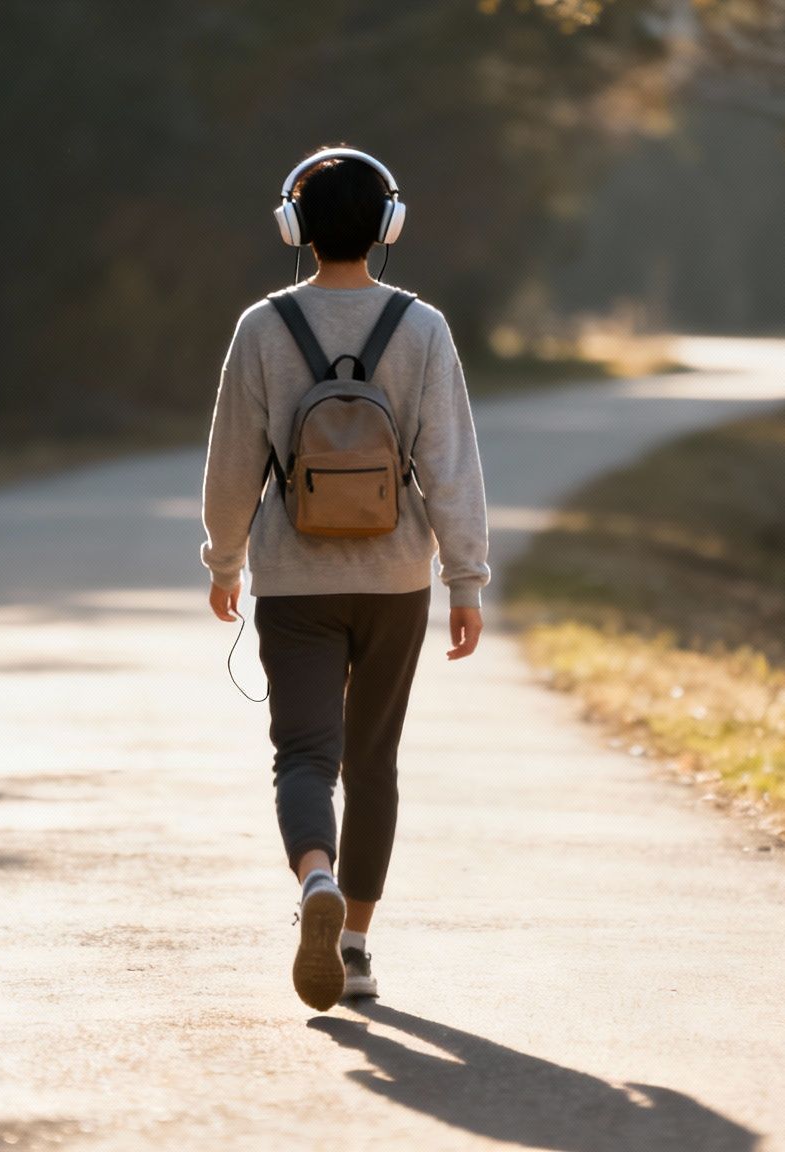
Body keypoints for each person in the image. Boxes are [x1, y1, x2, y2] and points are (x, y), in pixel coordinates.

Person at [199, 145, 490, 1011]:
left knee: (304, 755)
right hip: (396, 579)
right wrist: (465, 582)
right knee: (373, 764)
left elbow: (232, 464)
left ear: (296, 226)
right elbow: (450, 464)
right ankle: (356, 945)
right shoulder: (423, 328)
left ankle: (314, 877)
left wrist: (224, 560)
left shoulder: (262, 327)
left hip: (293, 579)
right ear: (387, 226)